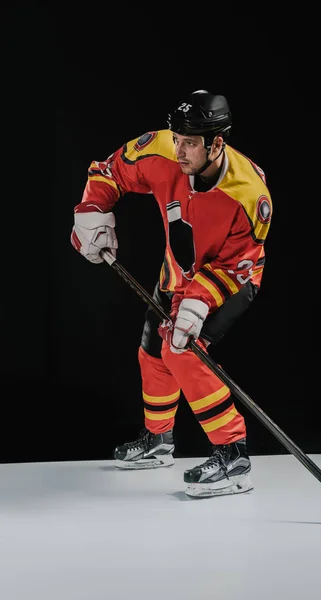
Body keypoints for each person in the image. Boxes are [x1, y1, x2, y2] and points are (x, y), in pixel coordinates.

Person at [71, 89, 273, 498]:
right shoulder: (165, 148)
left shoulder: (250, 193)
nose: (179, 150)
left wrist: (197, 303)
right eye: (177, 138)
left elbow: (241, 262)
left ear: (218, 143)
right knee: (152, 345)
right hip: (175, 275)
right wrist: (93, 211)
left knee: (181, 349)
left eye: (191, 143)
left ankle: (233, 456)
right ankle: (159, 440)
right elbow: (109, 171)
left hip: (231, 282)